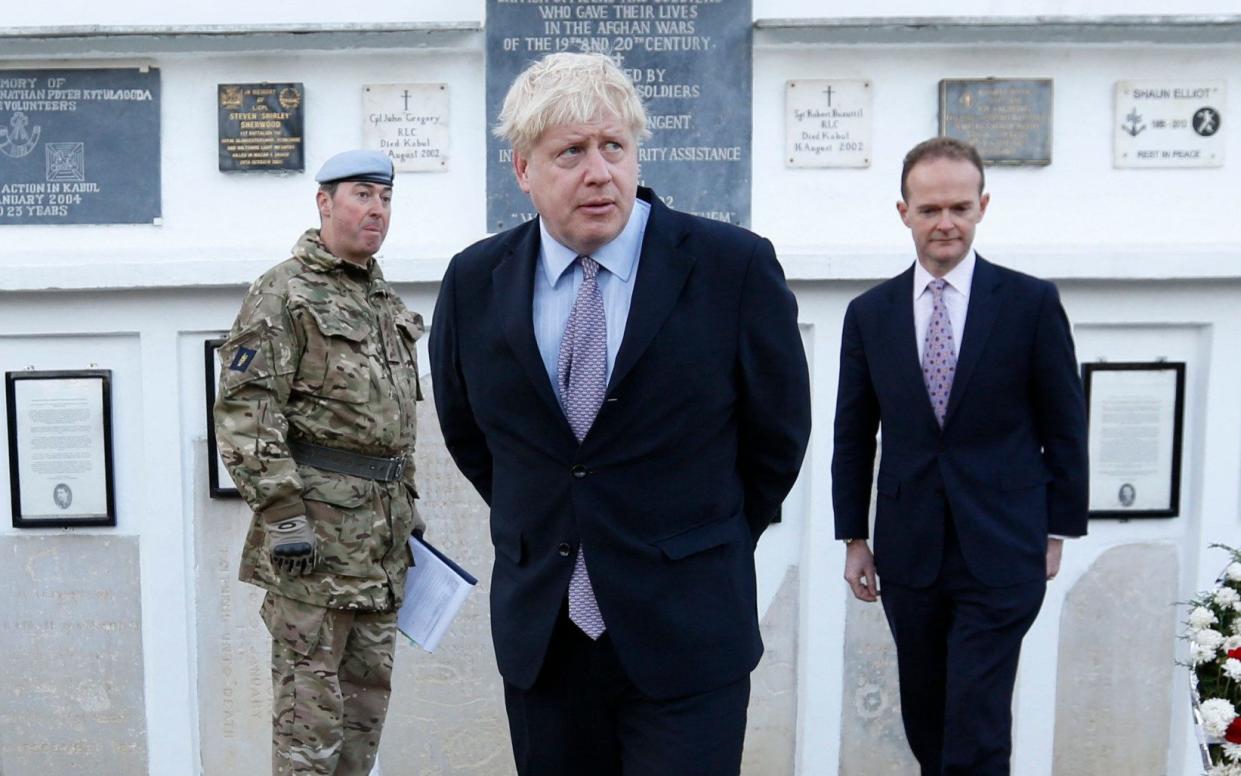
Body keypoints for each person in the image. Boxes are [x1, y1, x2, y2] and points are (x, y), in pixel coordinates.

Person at [429, 52, 811, 776]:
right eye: (570, 152)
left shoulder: (731, 267)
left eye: (614, 146)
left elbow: (776, 438)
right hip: (546, 636)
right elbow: (473, 436)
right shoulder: (476, 281)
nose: (598, 172)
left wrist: (695, 541)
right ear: (523, 170)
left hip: (688, 631)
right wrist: (557, 522)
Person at [831, 136, 1088, 775]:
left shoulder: (1029, 304)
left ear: (982, 207)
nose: (945, 222)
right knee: (926, 717)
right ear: (904, 212)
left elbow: (1066, 423)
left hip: (1003, 548)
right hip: (910, 550)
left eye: (959, 207)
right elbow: (853, 433)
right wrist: (853, 539)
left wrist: (1058, 528)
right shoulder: (870, 314)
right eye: (930, 209)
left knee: (975, 722)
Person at [213, 149, 425, 776]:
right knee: (309, 729)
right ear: (324, 202)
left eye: (385, 198)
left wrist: (407, 509)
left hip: (379, 547)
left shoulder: (384, 301)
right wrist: (283, 516)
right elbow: (245, 409)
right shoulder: (284, 291)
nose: (377, 210)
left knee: (363, 720)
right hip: (314, 548)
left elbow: (390, 427)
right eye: (362, 194)